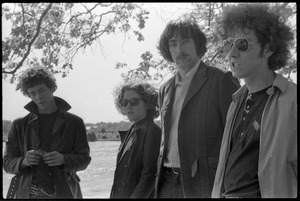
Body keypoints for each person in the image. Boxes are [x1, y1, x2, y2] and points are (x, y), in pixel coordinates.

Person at [211, 3, 297, 198]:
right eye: (228, 44)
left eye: (241, 44)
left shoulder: (292, 101)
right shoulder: (236, 101)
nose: (232, 53)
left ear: (268, 49)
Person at [154, 17, 240, 198]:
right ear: (167, 49)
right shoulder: (164, 89)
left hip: (204, 181)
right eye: (173, 43)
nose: (179, 49)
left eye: (185, 41)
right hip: (166, 181)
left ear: (198, 44)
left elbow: (238, 138)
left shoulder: (221, 80)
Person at [3, 66, 92, 199]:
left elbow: (85, 160)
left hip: (65, 192)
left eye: (41, 90)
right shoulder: (18, 124)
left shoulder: (75, 122)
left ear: (52, 88)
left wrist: (64, 159)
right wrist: (24, 161)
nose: (38, 97)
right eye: (32, 93)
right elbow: (7, 163)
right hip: (26, 194)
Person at [110, 81, 162, 198]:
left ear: (148, 103)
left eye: (134, 102)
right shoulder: (132, 130)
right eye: (124, 102)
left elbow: (149, 175)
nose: (128, 106)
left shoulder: (153, 131)